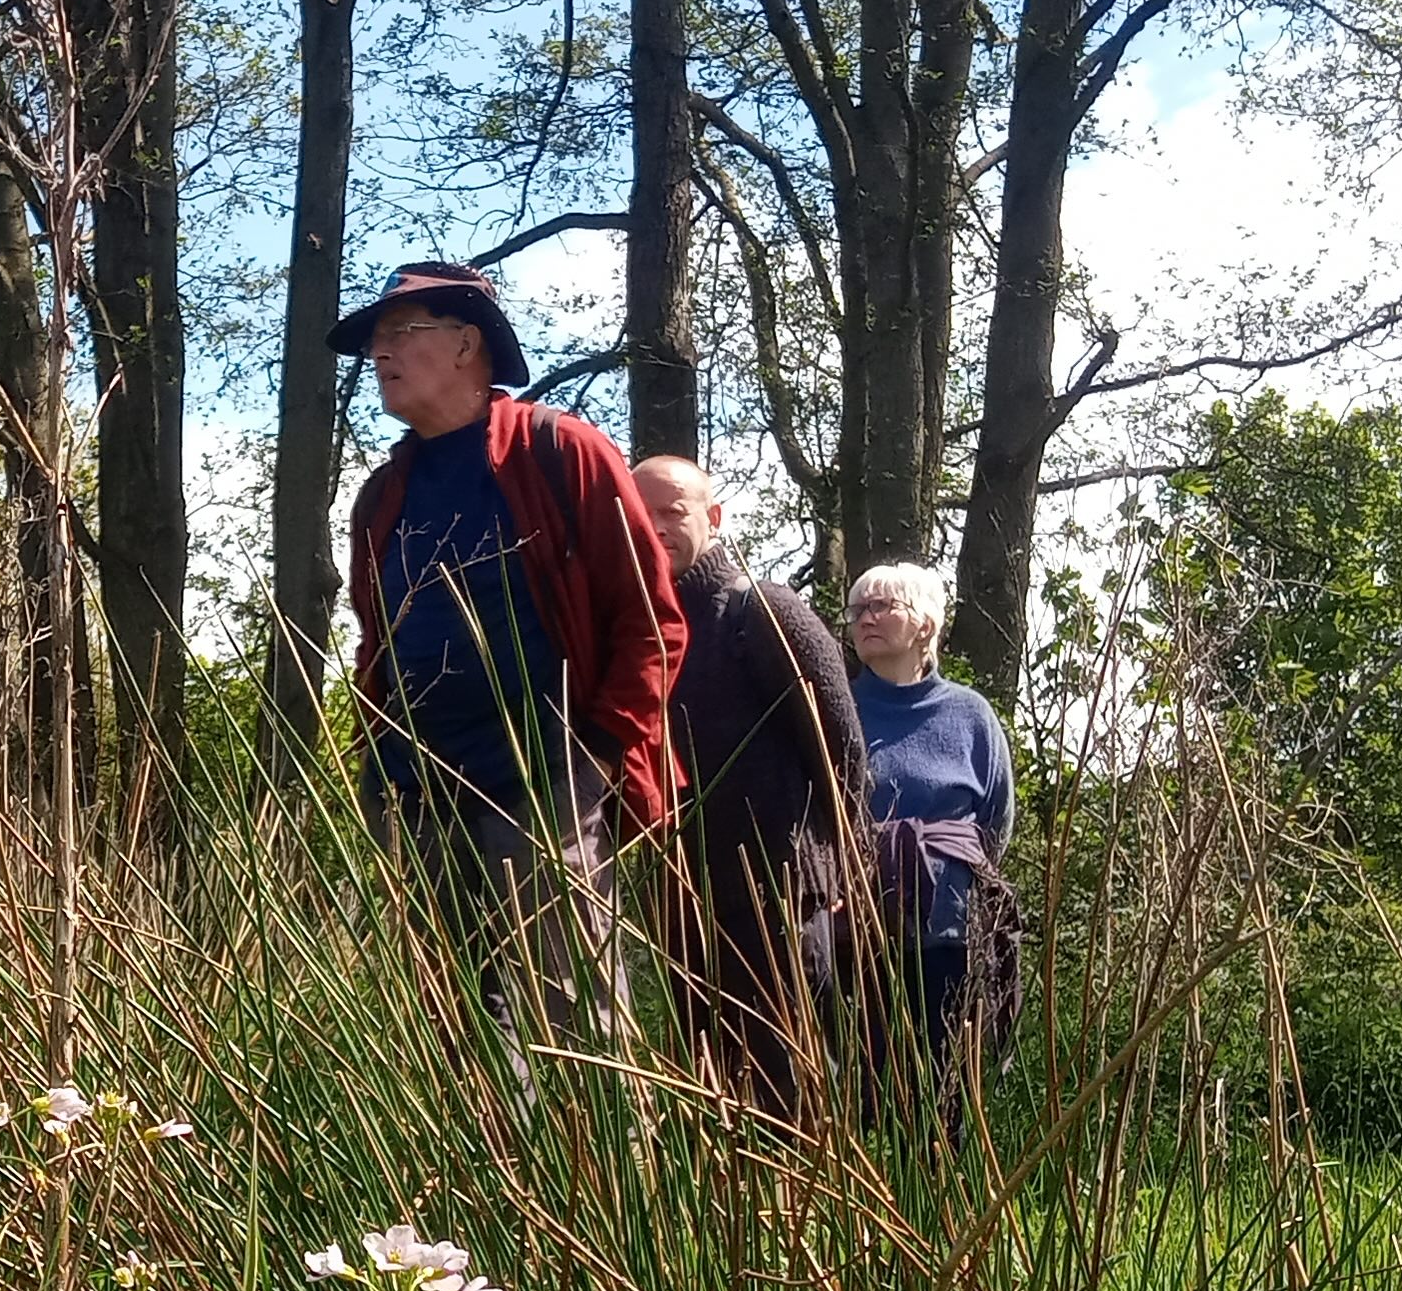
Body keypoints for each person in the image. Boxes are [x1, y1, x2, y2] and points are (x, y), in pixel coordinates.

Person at [332, 261, 686, 1043]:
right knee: (456, 1031)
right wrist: (378, 763)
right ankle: (479, 1168)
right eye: (377, 341)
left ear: (466, 344)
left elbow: (652, 624)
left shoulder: (561, 450)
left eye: (401, 332)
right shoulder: (379, 496)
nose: (380, 354)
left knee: (582, 1035)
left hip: (545, 790)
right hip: (418, 800)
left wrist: (591, 760)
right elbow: (376, 642)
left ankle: (600, 1171)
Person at [631, 456, 869, 1121]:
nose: (654, 527)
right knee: (710, 1083)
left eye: (671, 512)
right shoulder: (636, 631)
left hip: (779, 898)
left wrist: (842, 875)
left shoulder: (761, 611)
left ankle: (805, 1220)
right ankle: (731, 1217)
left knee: (785, 1084)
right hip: (682, 900)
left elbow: (844, 750)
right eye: (638, 514)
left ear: (712, 518)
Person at [840, 559, 1017, 1088]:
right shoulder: (835, 707)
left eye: (882, 606)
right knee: (860, 1096)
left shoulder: (970, 715)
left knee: (942, 1102)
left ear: (926, 625)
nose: (866, 618)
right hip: (856, 934)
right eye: (857, 609)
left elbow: (994, 823)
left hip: (949, 938)